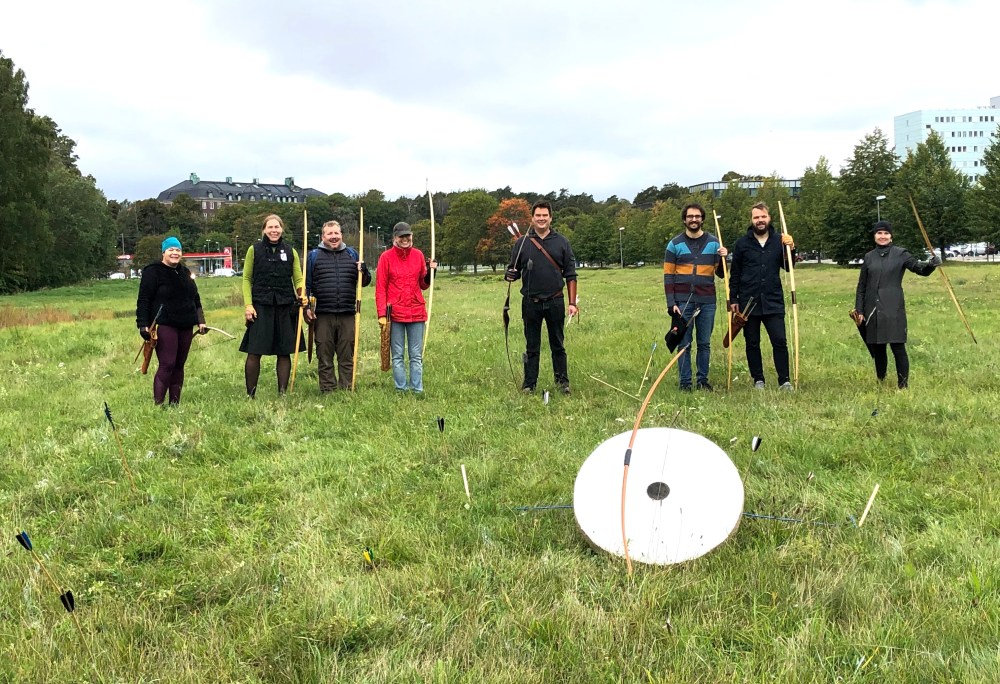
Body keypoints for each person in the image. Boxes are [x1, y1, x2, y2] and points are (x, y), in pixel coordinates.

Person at [504, 200, 578, 394]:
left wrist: (572, 303)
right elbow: (513, 271)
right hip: (531, 302)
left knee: (558, 345)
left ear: (550, 218)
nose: (541, 219)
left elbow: (571, 274)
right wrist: (509, 274)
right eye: (538, 215)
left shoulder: (562, 242)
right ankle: (529, 384)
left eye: (545, 215)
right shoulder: (522, 243)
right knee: (532, 346)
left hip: (555, 300)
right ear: (532, 218)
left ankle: (562, 383)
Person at [854, 220, 939, 389]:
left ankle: (903, 386)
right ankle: (881, 380)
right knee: (878, 348)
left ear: (891, 236)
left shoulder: (901, 254)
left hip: (893, 308)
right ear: (874, 236)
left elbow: (919, 269)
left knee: (898, 347)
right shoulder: (869, 257)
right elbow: (861, 286)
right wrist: (860, 309)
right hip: (872, 309)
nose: (883, 236)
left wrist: (931, 265)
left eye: (886, 233)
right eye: (879, 233)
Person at [728, 202, 796, 390]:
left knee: (779, 341)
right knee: (752, 342)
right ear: (752, 220)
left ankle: (784, 380)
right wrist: (733, 299)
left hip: (773, 300)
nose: (760, 220)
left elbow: (789, 267)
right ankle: (758, 379)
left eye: (763, 216)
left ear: (769, 218)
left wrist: (791, 248)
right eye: (756, 217)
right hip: (748, 302)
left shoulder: (780, 241)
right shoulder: (742, 244)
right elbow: (735, 273)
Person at [239, 214, 306, 397]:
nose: (274, 230)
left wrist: (302, 294)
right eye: (270, 227)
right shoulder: (254, 250)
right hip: (261, 306)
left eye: (277, 227)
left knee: (284, 352)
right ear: (264, 230)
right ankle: (251, 394)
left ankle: (282, 393)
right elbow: (246, 279)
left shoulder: (290, 251)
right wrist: (248, 305)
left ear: (282, 229)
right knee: (254, 351)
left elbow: (298, 279)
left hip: (286, 306)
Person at [135, 237, 207, 405]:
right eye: (171, 250)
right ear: (163, 252)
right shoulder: (152, 271)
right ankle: (158, 404)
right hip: (165, 323)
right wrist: (143, 324)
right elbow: (144, 299)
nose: (175, 253)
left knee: (179, 365)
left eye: (178, 250)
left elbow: (195, 298)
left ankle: (175, 404)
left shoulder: (185, 272)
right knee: (167, 364)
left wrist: (201, 320)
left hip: (186, 323)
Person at [664, 203, 727, 391]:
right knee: (684, 343)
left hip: (707, 301)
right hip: (683, 302)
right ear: (684, 220)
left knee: (704, 343)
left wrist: (724, 258)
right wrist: (671, 302)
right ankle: (685, 383)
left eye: (697, 216)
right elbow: (668, 275)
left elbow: (722, 274)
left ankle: (702, 381)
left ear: (702, 219)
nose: (694, 219)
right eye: (690, 216)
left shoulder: (714, 243)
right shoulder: (674, 244)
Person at [305, 220, 371, 392]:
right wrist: (306, 308)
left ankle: (346, 387)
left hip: (347, 312)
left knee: (346, 352)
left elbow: (364, 282)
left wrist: (364, 271)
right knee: (324, 352)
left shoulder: (352, 254)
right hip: (322, 313)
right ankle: (328, 388)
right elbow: (307, 285)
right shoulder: (313, 256)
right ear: (323, 237)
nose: (333, 237)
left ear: (341, 235)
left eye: (336, 233)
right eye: (330, 234)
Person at [375, 222, 436, 394]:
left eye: (407, 235)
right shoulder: (386, 257)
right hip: (395, 314)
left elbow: (423, 284)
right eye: (401, 236)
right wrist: (382, 314)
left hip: (417, 312)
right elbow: (380, 288)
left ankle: (417, 389)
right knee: (398, 355)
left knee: (416, 355)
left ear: (411, 236)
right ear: (394, 238)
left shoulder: (418, 255)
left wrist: (431, 273)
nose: (405, 239)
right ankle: (401, 389)